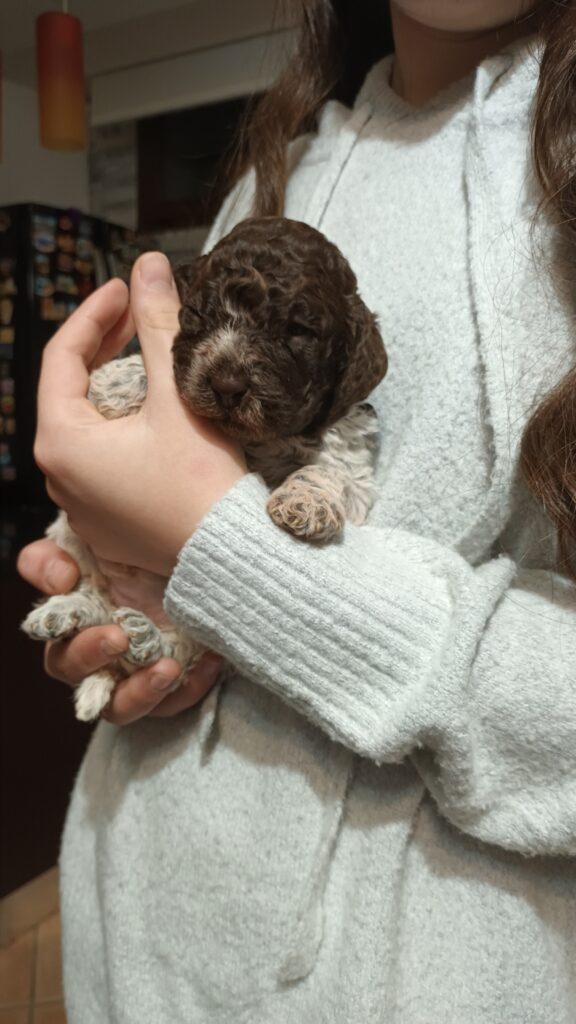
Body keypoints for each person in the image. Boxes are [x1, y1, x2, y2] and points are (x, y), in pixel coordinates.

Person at [17, 0, 576, 1020]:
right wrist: (138, 617)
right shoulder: (278, 170)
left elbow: (222, 534)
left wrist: (232, 561)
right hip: (129, 935)